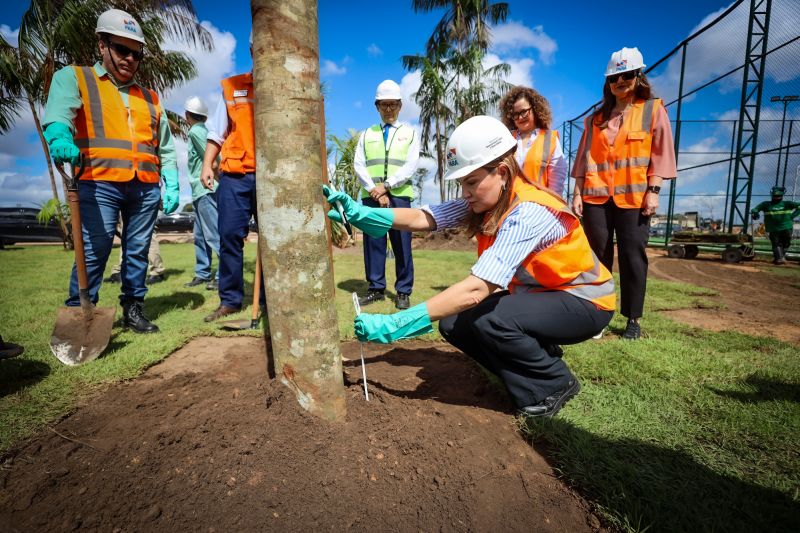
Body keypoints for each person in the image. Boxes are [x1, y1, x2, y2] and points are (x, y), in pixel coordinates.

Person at [323, 115, 616, 418]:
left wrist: (398, 324)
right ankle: (535, 361)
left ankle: (553, 382)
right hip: (544, 296)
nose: (464, 192)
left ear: (502, 172)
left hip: (587, 301)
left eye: (471, 182)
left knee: (493, 320)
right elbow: (427, 217)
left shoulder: (528, 210)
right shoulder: (490, 200)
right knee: (453, 324)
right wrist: (366, 216)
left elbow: (476, 289)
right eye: (462, 183)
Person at [42, 9, 179, 334]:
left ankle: (134, 310)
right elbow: (58, 114)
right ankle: (80, 313)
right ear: (101, 45)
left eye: (136, 53)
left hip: (145, 186)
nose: (130, 59)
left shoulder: (149, 98)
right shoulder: (76, 78)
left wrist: (171, 181)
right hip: (98, 182)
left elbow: (166, 146)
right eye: (122, 49)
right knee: (95, 249)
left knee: (137, 252)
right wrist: (60, 135)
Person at [570, 47, 677, 340]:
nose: (620, 81)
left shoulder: (652, 110)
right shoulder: (595, 119)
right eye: (615, 76)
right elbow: (582, 160)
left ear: (637, 76)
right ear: (608, 81)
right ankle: (599, 314)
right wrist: (577, 193)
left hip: (634, 199)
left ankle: (633, 318)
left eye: (626, 75)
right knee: (597, 257)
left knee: (632, 256)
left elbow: (660, 156)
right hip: (595, 197)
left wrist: (653, 192)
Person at [200, 32, 263, 321]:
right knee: (229, 236)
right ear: (251, 49)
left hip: (271, 179)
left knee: (274, 240)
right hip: (236, 176)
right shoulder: (233, 87)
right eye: (257, 48)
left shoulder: (287, 86)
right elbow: (216, 131)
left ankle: (269, 298)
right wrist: (207, 165)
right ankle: (231, 300)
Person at [353, 80, 420, 310]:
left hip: (399, 196)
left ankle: (403, 291)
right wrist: (374, 189)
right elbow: (359, 164)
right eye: (384, 105)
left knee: (402, 244)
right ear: (377, 107)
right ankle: (376, 289)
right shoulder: (366, 134)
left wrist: (386, 186)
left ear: (400, 105)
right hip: (370, 196)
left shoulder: (410, 133)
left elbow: (410, 165)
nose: (389, 109)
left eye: (393, 104)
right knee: (373, 243)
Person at [499, 86, 568, 198]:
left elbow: (557, 180)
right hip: (508, 206)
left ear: (535, 109)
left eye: (524, 112)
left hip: (538, 206)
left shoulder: (550, 139)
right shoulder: (506, 139)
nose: (520, 117)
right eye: (515, 114)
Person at [183, 96, 221, 290]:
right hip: (200, 192)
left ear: (187, 115)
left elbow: (214, 160)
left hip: (206, 190)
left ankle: (224, 274)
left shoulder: (196, 132)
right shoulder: (203, 130)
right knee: (200, 235)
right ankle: (203, 273)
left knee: (213, 234)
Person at [751, 186, 799, 264]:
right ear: (772, 195)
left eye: (778, 196)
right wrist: (755, 213)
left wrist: (793, 215)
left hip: (786, 227)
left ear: (782, 196)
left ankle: (779, 258)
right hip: (773, 228)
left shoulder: (787, 204)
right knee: (776, 243)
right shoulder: (766, 204)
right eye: (774, 196)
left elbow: (799, 206)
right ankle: (779, 259)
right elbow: (755, 209)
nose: (776, 197)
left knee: (786, 243)